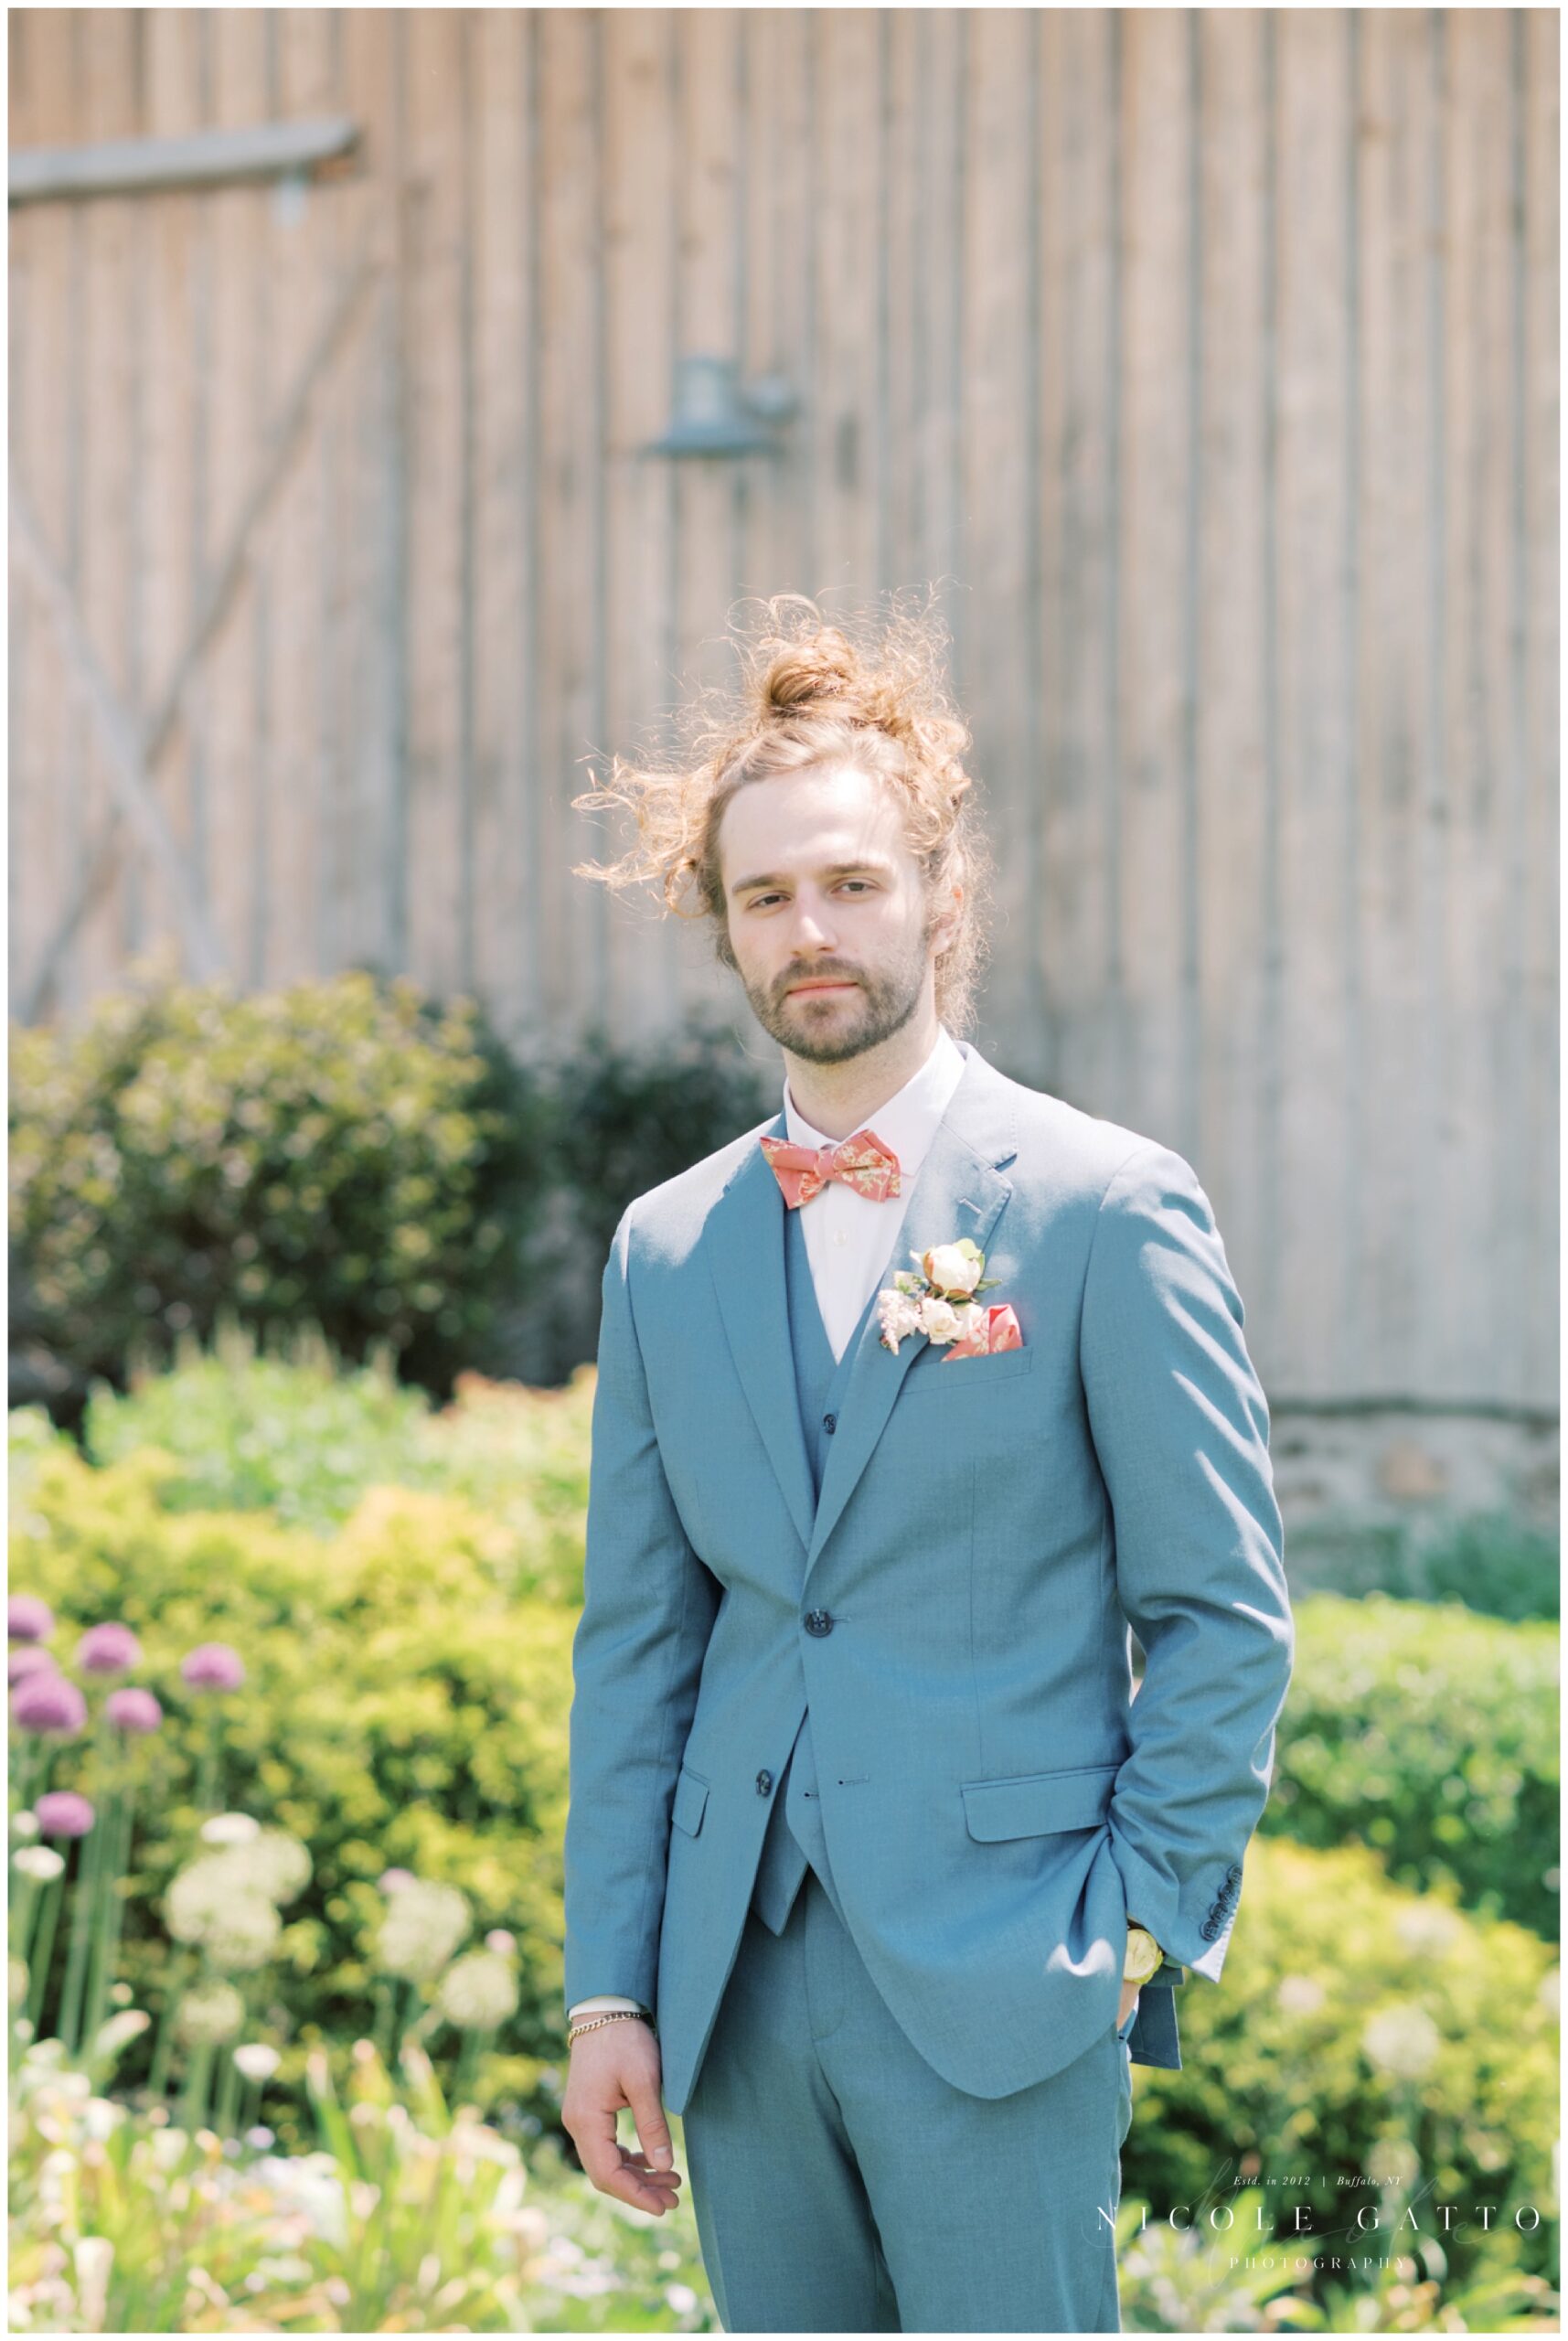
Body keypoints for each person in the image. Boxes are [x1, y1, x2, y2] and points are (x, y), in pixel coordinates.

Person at [559, 593, 1294, 2332]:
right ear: (725, 929)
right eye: (765, 896)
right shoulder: (666, 1247)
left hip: (1008, 1972)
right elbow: (637, 1650)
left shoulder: (1109, 1207)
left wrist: (1129, 1926)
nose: (810, 929)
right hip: (731, 1992)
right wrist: (612, 1994)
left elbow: (1223, 1617)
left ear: (940, 894)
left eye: (850, 883)